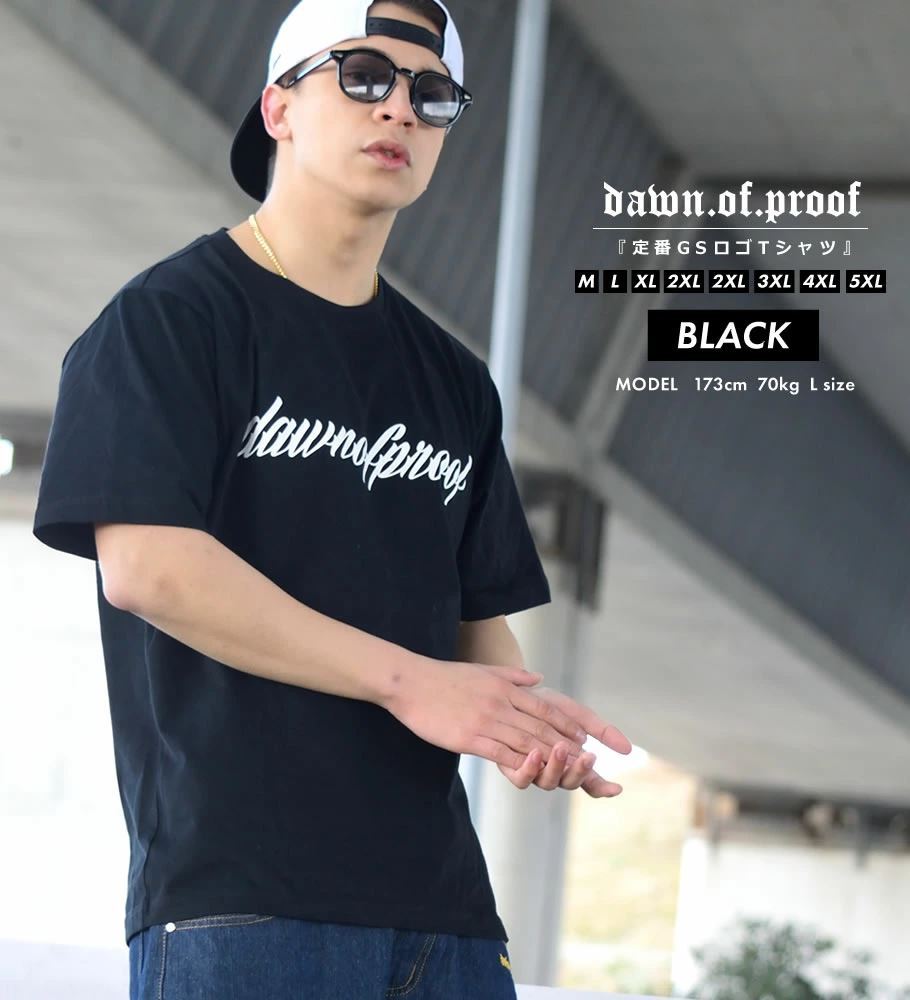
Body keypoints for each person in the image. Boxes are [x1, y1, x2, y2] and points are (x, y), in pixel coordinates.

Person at [32, 0, 631, 996]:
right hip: (243, 900)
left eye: (431, 95)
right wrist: (408, 682)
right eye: (362, 77)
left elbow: (474, 625)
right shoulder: (167, 321)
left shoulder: (453, 381)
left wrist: (526, 726)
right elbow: (148, 568)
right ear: (277, 108)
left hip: (443, 913)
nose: (398, 108)